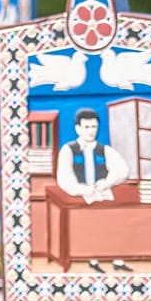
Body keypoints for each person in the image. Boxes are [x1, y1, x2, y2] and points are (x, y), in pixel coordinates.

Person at [55, 109, 132, 272]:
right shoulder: (68, 150)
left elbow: (122, 170)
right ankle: (93, 260)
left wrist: (106, 182)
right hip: (80, 196)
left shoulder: (104, 150)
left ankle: (117, 262)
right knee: (89, 227)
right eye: (87, 127)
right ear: (78, 128)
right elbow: (64, 177)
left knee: (112, 226)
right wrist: (81, 189)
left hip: (103, 194)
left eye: (94, 127)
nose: (91, 131)